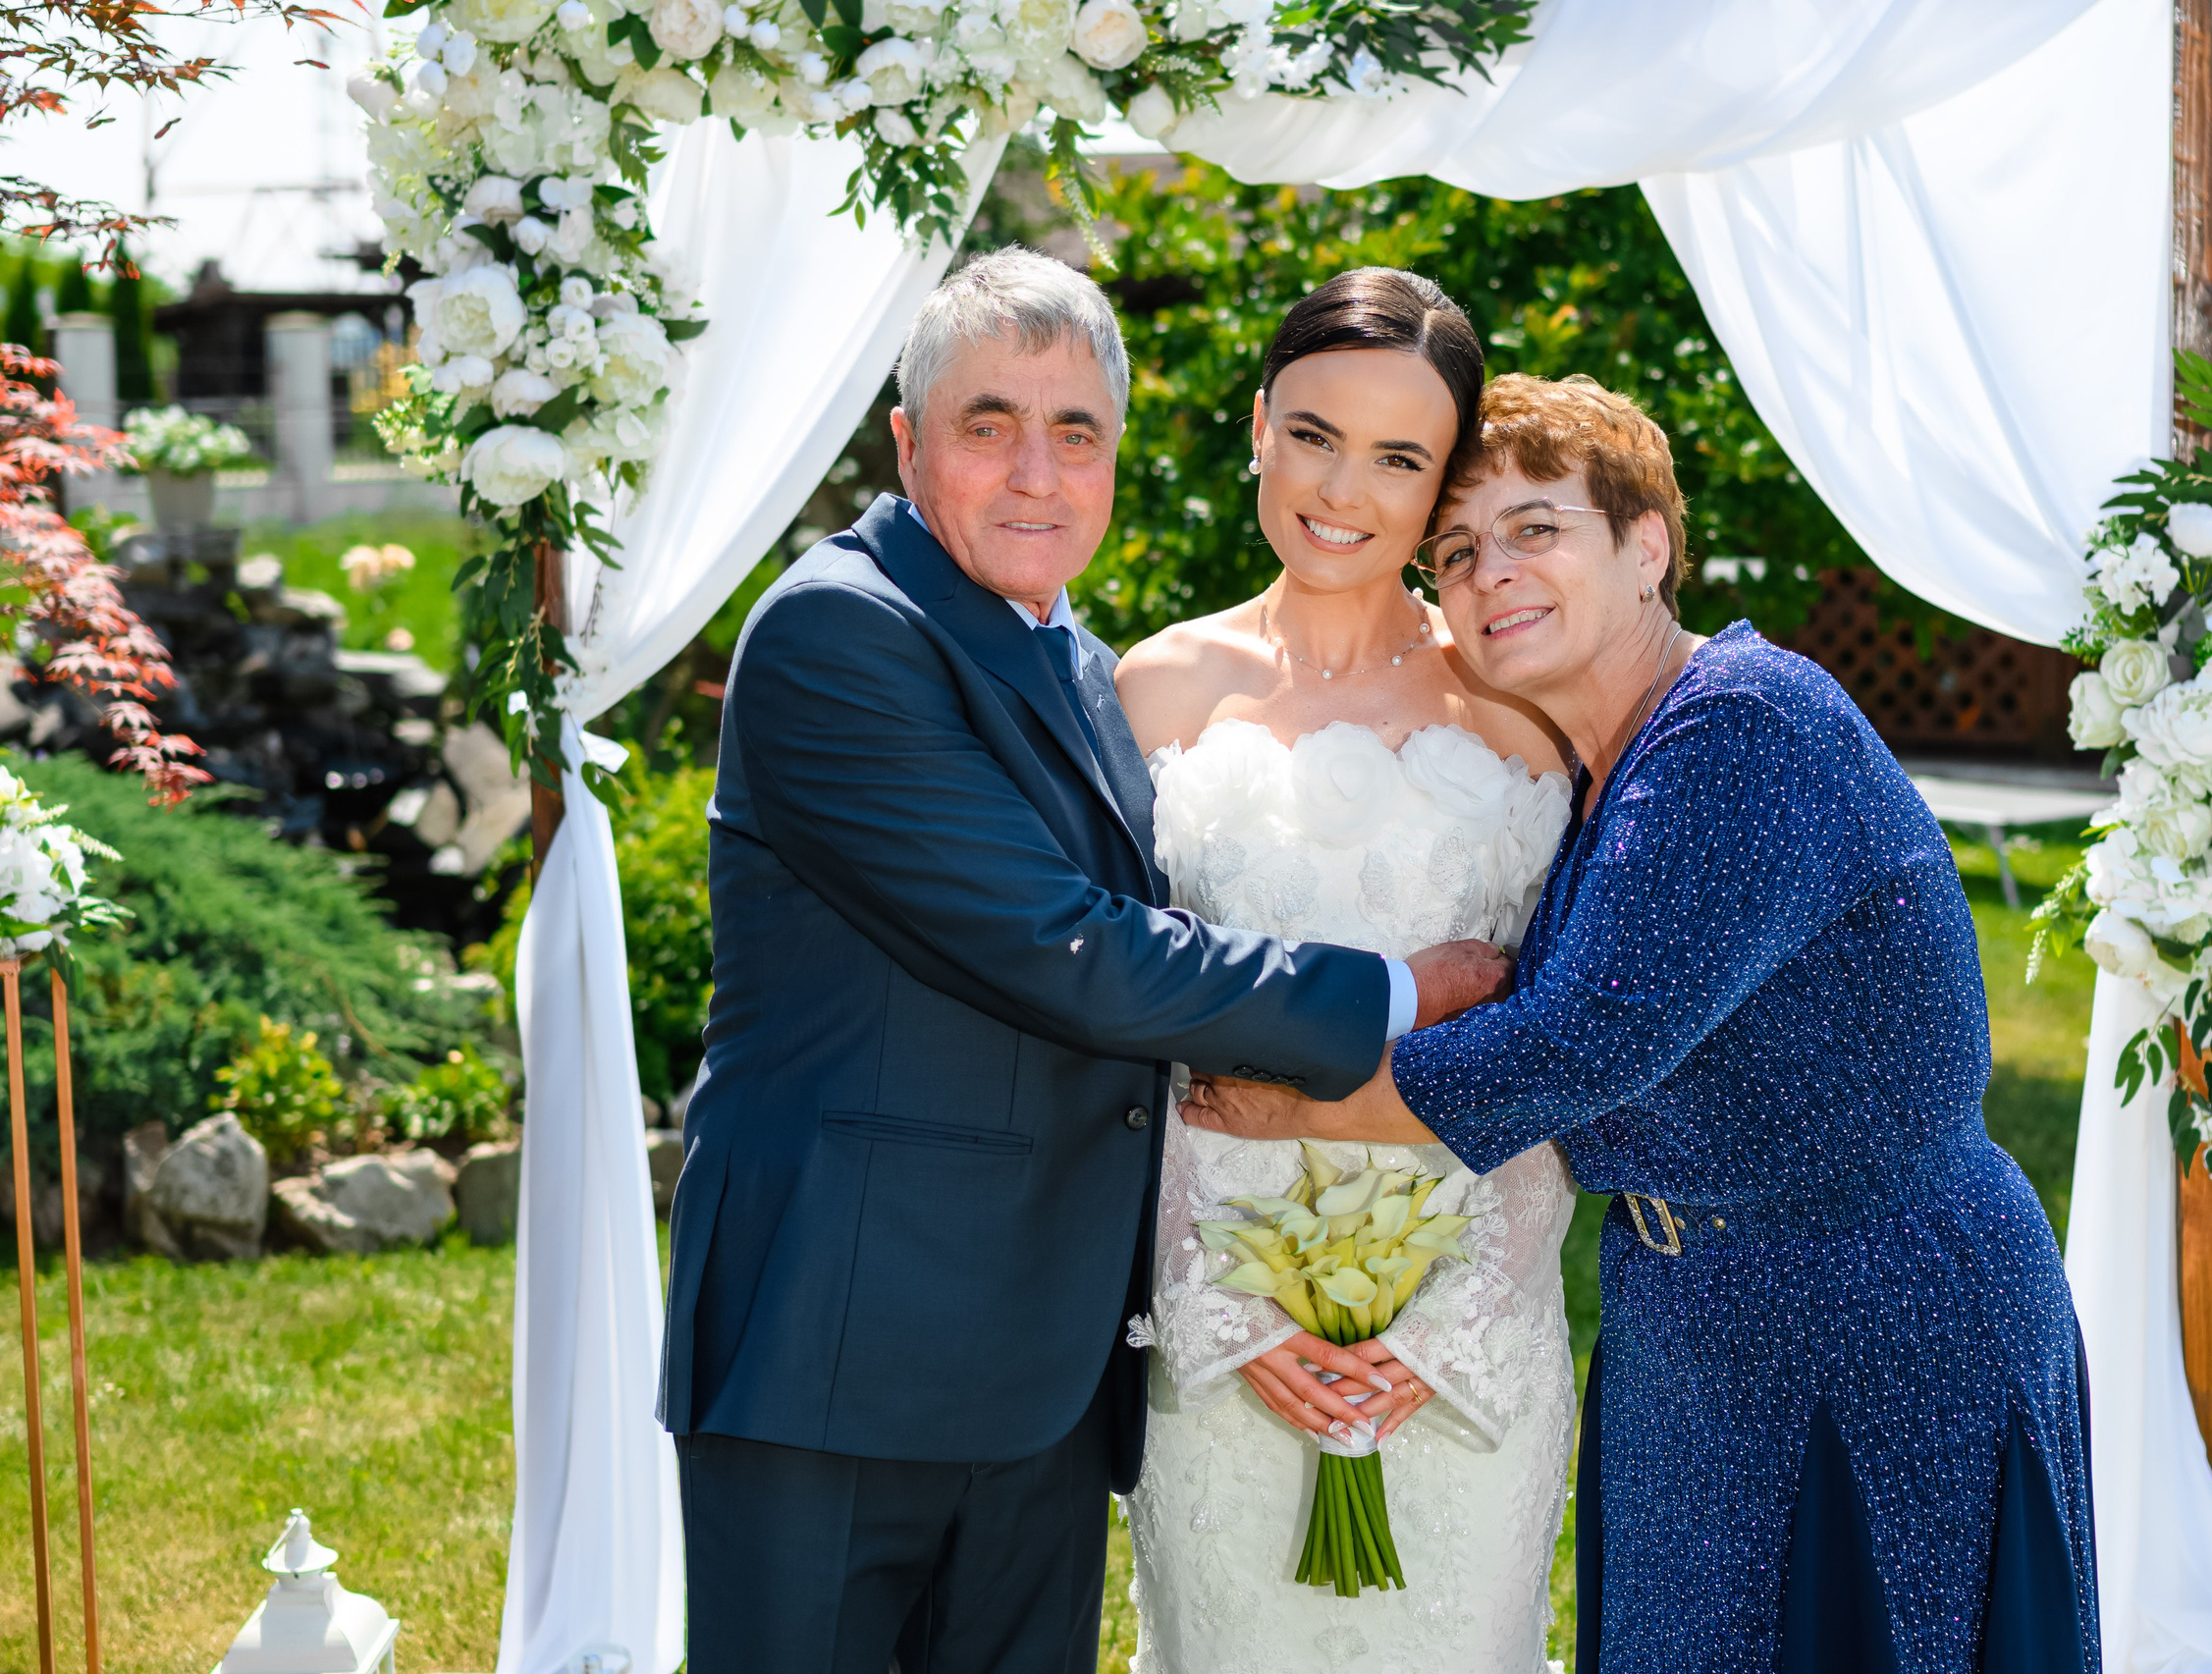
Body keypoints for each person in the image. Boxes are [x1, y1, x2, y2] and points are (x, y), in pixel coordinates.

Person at [660, 246, 1511, 1674]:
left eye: (1077, 433)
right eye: (989, 424)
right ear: (907, 441)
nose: (1035, 472)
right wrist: (1397, 991)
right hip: (842, 1350)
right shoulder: (839, 632)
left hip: (1046, 1372)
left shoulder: (1079, 661)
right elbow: (1072, 952)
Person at [1186, 373, 2101, 1673]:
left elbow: (1573, 1048)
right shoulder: (1612, 759)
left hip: (1879, 1314)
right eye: (1456, 550)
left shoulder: (1738, 726)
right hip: (1698, 1317)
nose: (1490, 571)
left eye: (1537, 527)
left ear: (1649, 545)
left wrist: (1294, 1101)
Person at [1114, 270, 1580, 1672]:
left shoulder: (1521, 711)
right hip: (1215, 1346)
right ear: (1258, 425)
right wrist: (1227, 1315)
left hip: (1466, 1358)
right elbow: (1118, 1034)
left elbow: (1558, 1037)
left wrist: (1440, 1331)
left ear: (1443, 485)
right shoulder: (1148, 692)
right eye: (1313, 433)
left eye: (1400, 458)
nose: (1343, 488)